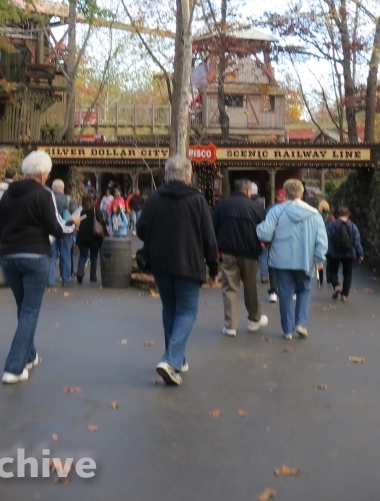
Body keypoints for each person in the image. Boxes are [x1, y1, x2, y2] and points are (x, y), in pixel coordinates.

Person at [0, 150, 79, 384]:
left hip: (9, 257)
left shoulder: (7, 195)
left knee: (23, 309)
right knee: (30, 312)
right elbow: (57, 227)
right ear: (42, 174)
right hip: (35, 256)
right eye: (47, 174)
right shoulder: (44, 194)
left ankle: (29, 356)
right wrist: (73, 224)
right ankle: (14, 367)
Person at [136, 155, 218, 386]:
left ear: (167, 175)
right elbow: (209, 237)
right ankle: (171, 359)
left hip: (161, 262)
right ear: (188, 176)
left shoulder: (154, 198)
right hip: (189, 261)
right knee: (187, 311)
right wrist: (213, 266)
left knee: (170, 309)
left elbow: (141, 229)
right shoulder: (197, 200)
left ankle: (176, 359)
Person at [256, 179, 327, 340]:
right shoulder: (314, 213)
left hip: (281, 259)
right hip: (305, 259)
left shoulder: (276, 211)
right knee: (304, 289)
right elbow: (321, 240)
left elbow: (264, 233)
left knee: (285, 293)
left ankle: (287, 330)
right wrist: (319, 258)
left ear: (285, 193)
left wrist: (259, 228)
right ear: (302, 193)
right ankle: (301, 323)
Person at [213, 178, 269, 337]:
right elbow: (264, 228)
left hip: (228, 251)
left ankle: (230, 325)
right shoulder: (256, 207)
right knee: (251, 286)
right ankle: (254, 318)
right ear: (248, 191)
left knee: (229, 287)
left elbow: (213, 226)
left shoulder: (222, 205)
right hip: (250, 252)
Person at [325, 206, 363, 301]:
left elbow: (325, 238)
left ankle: (337, 286)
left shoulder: (331, 225)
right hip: (349, 253)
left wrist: (325, 251)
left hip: (334, 252)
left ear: (337, 215)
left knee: (332, 271)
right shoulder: (353, 226)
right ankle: (344, 295)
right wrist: (360, 254)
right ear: (347, 214)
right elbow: (357, 241)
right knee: (347, 273)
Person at [48, 179, 75, 287]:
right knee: (65, 254)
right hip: (65, 231)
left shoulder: (48, 198)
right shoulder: (68, 199)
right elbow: (76, 214)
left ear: (52, 188)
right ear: (63, 188)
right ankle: (66, 279)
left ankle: (49, 280)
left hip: (51, 231)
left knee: (51, 255)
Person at [74, 193, 104, 284]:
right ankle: (93, 276)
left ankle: (80, 273)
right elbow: (101, 221)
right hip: (94, 237)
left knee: (83, 255)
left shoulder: (83, 212)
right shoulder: (96, 210)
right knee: (94, 256)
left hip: (82, 236)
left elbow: (80, 221)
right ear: (93, 200)